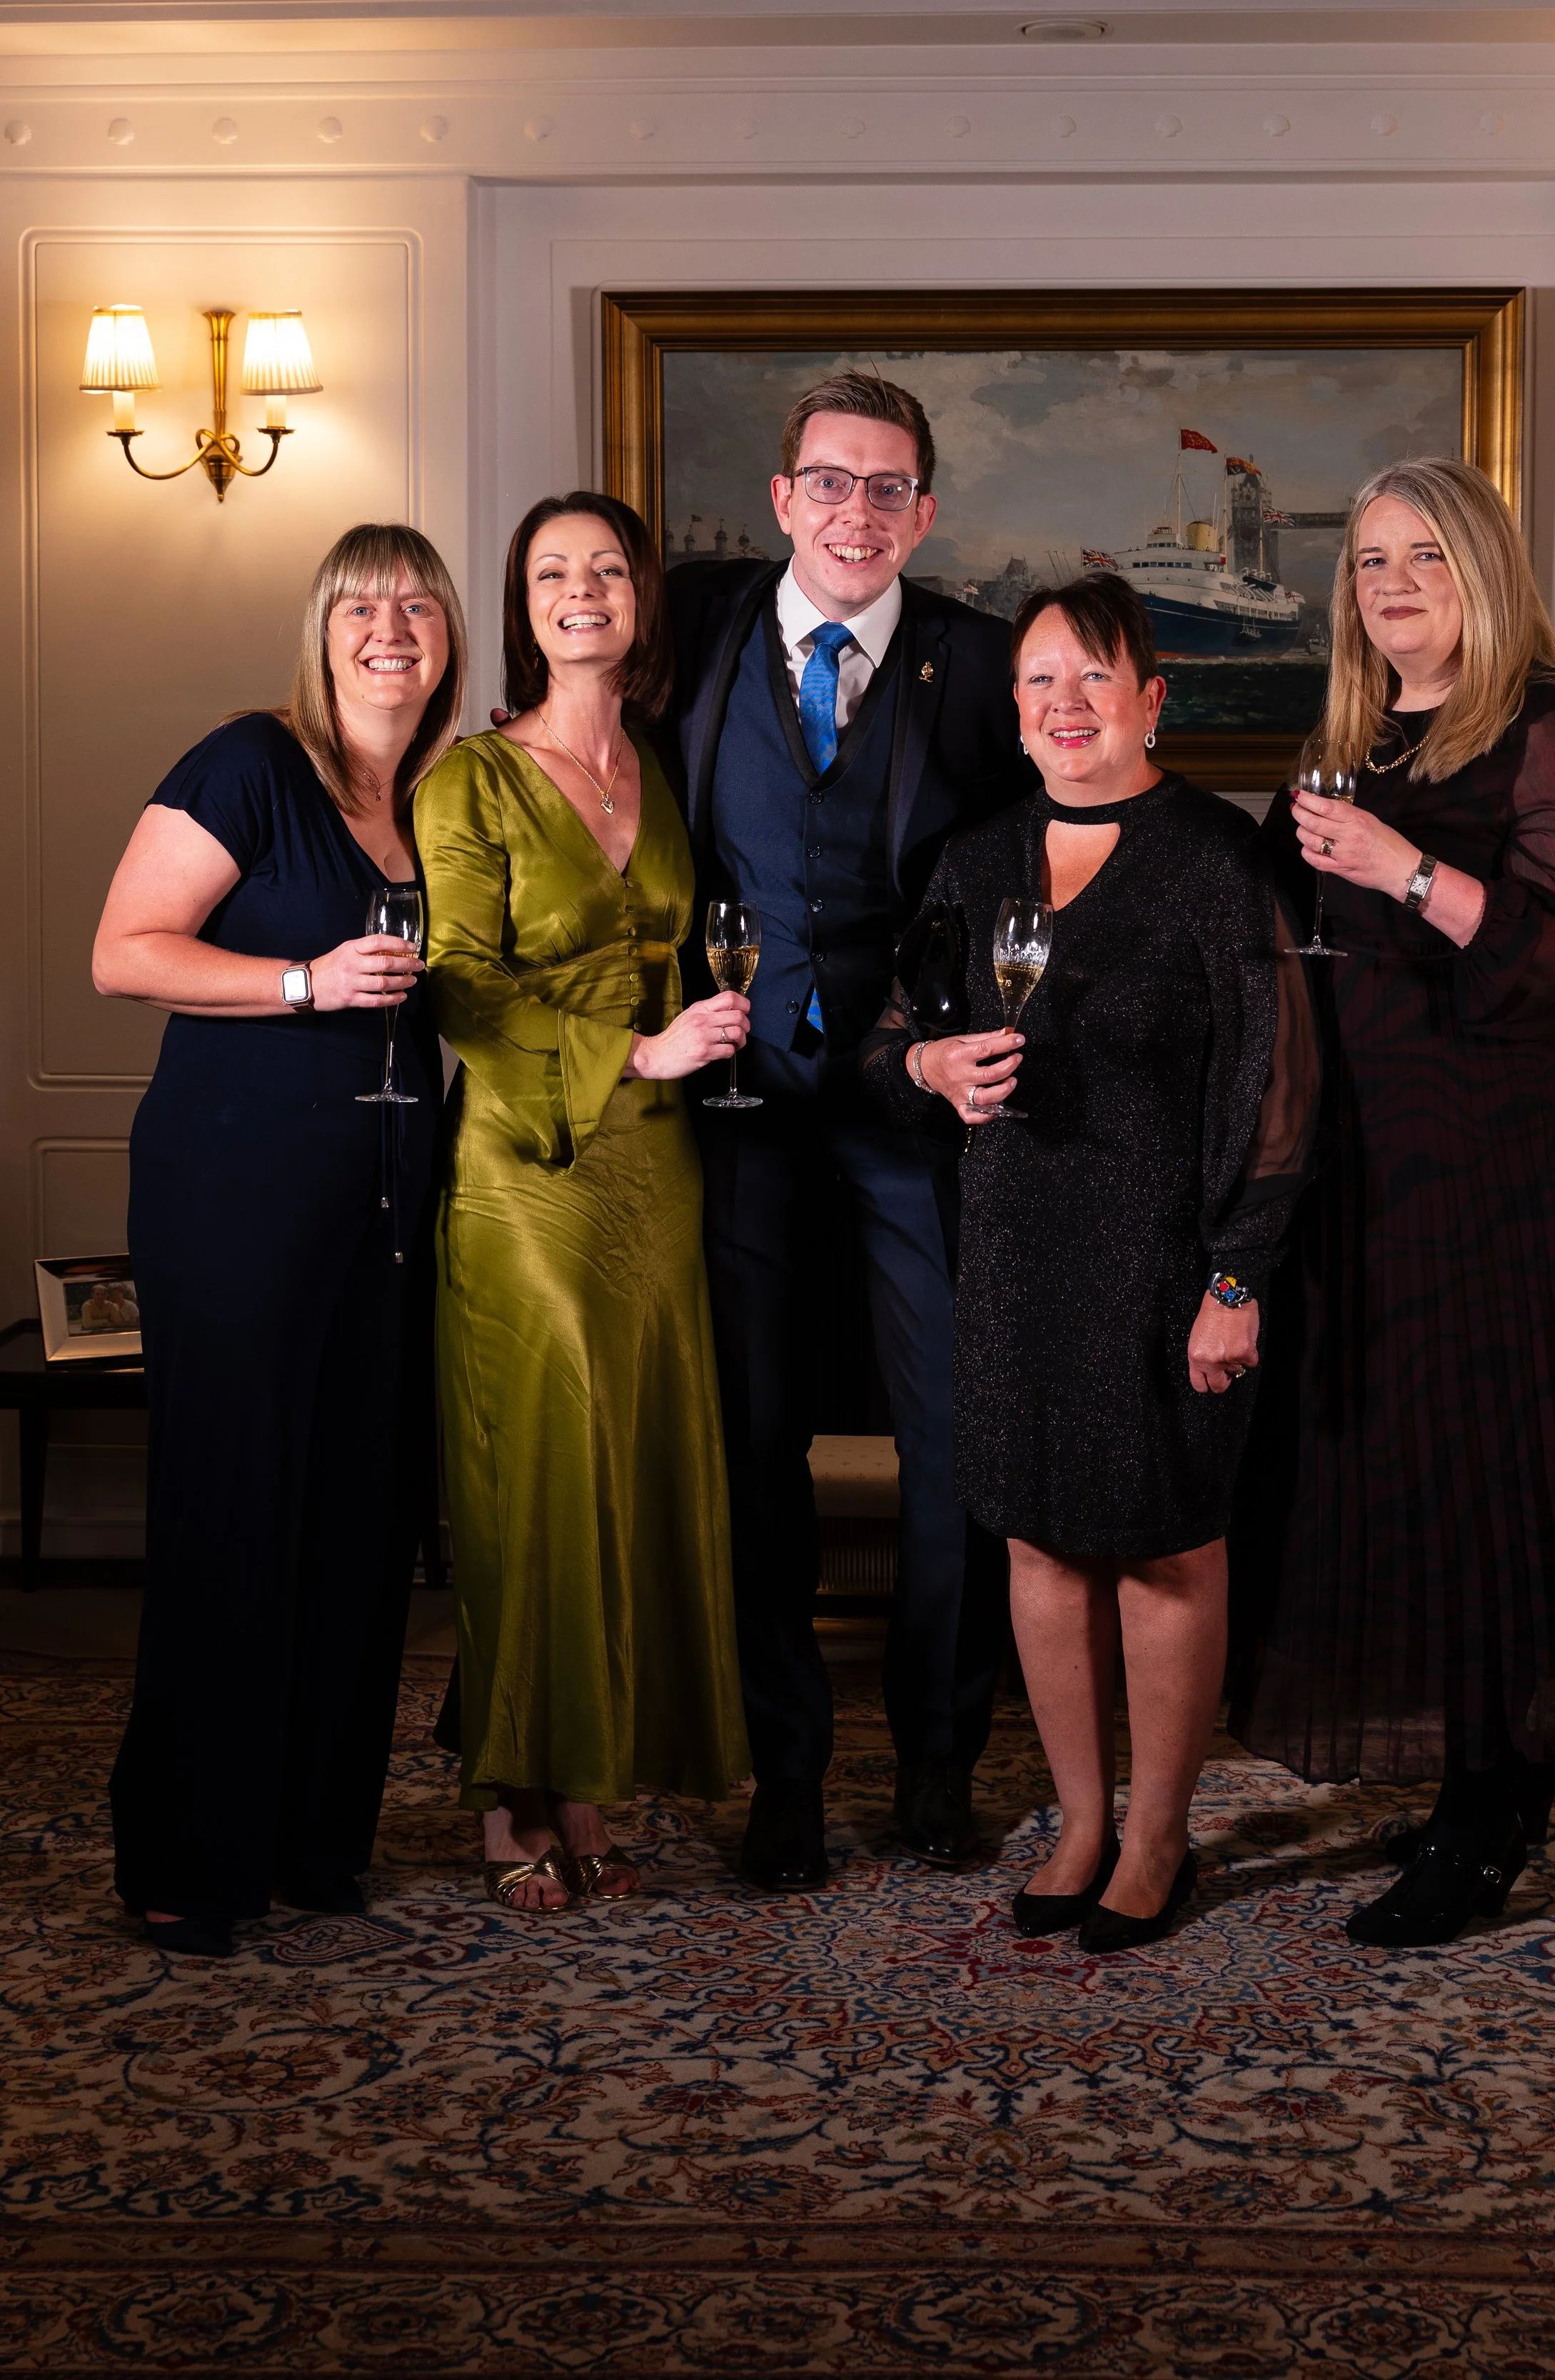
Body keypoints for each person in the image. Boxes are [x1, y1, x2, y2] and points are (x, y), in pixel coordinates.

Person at [1227, 456, 1555, 1949]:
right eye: (1365, 563)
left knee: (1498, 1460)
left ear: (1478, 570)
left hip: (1521, 1167)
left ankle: (1494, 1812)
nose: (1391, 583)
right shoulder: (1352, 740)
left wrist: (1402, 869)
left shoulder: (1553, 726)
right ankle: (1456, 1781)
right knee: (1407, 1459)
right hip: (1382, 1163)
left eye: (1421, 554)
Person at [863, 576, 1317, 1952]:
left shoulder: (1216, 863)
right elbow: (894, 1045)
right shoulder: (977, 858)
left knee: (1166, 1549)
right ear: (1013, 710)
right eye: (1040, 683)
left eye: (1095, 680)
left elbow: (1280, 1090)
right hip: (1008, 1253)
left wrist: (1235, 1278)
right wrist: (928, 1066)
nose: (1066, 706)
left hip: (1163, 1268)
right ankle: (1077, 1819)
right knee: (1041, 1540)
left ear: (1151, 699)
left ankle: (1161, 1834)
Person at [664, 371, 1034, 1892]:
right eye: (830, 481)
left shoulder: (983, 661)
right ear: (779, 498)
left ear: (925, 511)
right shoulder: (691, 635)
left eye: (888, 488)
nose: (856, 511)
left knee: (950, 1450)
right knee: (754, 1452)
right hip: (741, 1109)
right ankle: (786, 1777)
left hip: (917, 1122)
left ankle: (940, 1764)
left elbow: (1042, 873)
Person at [95, 523, 465, 1958]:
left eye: (417, 606)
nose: (389, 628)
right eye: (360, 606)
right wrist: (308, 979)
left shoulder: (438, 798)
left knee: (362, 1518)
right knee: (235, 1508)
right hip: (235, 1187)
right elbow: (125, 951)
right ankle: (188, 1851)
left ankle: (314, 1836)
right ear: (319, 630)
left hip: (385, 1199)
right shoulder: (248, 761)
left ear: (447, 636)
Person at [414, 493, 750, 1914]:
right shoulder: (470, 779)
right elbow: (458, 983)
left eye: (606, 569)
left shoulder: (656, 769)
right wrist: (639, 1046)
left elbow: (684, 951)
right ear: (521, 601)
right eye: (553, 571)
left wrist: (712, 1026)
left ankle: (597, 1786)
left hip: (659, 1164)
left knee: (639, 1462)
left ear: (638, 600)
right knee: (538, 1473)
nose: (581, 590)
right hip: (526, 1165)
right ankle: (514, 1800)